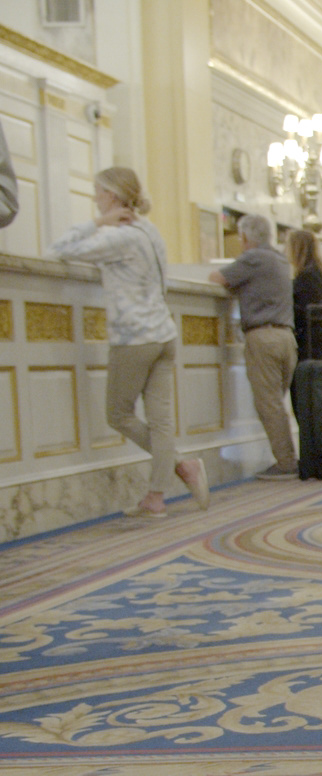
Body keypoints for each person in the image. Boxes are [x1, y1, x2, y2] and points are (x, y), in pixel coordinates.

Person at [50, 168, 208, 517]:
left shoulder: (119, 237)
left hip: (135, 337)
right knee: (161, 422)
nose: (95, 198)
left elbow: (57, 249)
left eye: (98, 192)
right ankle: (156, 496)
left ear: (112, 195)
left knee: (118, 414)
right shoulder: (149, 230)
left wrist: (97, 222)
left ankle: (182, 467)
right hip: (164, 333)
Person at [211, 214, 300, 480]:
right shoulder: (280, 260)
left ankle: (286, 463)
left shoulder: (253, 258)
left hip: (263, 337)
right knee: (276, 403)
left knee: (268, 404)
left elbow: (216, 278)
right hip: (286, 337)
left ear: (245, 237)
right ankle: (287, 457)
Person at [286, 228, 322, 361]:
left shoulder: (307, 277)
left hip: (311, 344)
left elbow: (303, 310)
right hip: (320, 340)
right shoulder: (316, 273)